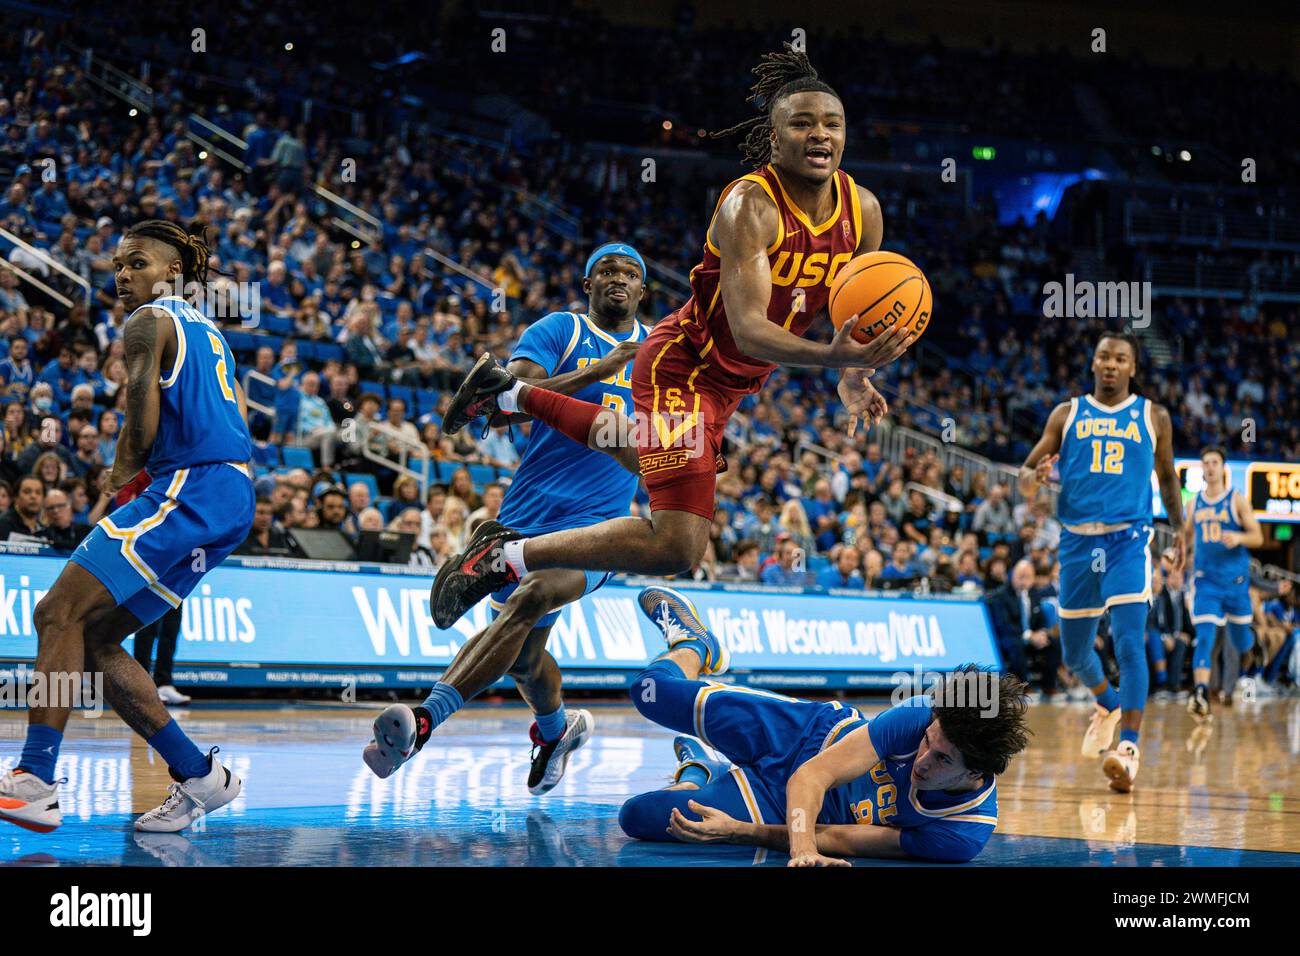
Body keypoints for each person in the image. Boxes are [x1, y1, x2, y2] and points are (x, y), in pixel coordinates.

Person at [429, 44, 911, 629]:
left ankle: (508, 395)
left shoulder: (864, 212)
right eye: (802, 123)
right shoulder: (749, 206)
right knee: (679, 545)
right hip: (683, 365)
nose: (820, 135)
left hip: (733, 384)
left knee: (640, 451)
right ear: (774, 136)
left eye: (832, 124)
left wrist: (852, 374)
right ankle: (504, 557)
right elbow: (750, 329)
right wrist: (830, 355)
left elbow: (850, 308)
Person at [363, 242, 650, 795]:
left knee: (533, 595)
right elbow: (499, 402)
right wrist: (602, 369)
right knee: (523, 659)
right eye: (606, 271)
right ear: (587, 285)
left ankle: (423, 723)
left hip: (599, 525)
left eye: (630, 272)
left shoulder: (659, 351)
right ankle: (555, 730)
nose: (619, 278)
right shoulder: (559, 331)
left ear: (642, 289)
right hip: (524, 517)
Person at [0, 220, 254, 835]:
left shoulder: (149, 321)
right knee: (94, 640)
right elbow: (238, 415)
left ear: (172, 273)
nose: (121, 275)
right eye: (117, 264)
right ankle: (198, 775)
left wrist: (114, 488)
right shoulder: (212, 330)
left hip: (188, 485)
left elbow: (138, 421)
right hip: (231, 492)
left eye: (136, 263)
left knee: (56, 613)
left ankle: (34, 779)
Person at [617, 586, 1029, 864]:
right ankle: (696, 643)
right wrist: (802, 852)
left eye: (941, 760)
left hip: (778, 805)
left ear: (976, 771)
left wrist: (739, 831)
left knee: (639, 818)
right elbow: (811, 776)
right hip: (800, 734)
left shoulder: (962, 833)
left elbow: (839, 839)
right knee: (649, 691)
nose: (922, 760)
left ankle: (699, 769)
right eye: (927, 742)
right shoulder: (921, 714)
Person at [1018, 332, 1183, 793]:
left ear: (1133, 367)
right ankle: (1106, 703)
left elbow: (1168, 478)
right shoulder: (1066, 414)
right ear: (1093, 363)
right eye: (1104, 357)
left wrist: (1182, 530)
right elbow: (1025, 480)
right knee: (1074, 652)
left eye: (1121, 358)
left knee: (1130, 643)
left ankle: (1128, 748)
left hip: (1129, 540)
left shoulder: (1153, 416)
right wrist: (1035, 479)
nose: (1111, 364)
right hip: (1076, 544)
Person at [1183, 446, 1263, 719]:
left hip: (1236, 582)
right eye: (1205, 462)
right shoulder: (1193, 503)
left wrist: (1239, 538)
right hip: (1206, 582)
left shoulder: (1236, 500)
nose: (1210, 467)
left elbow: (1258, 537)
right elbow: (1184, 537)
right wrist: (1175, 552)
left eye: (1214, 462)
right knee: (1204, 636)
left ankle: (1254, 649)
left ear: (1222, 467)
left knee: (1241, 642)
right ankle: (1201, 692)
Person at [985, 559, 1061, 697]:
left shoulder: (1034, 594)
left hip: (1030, 636)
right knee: (1015, 644)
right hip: (1010, 637)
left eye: (1028, 577)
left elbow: (1040, 620)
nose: (1024, 581)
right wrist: (1029, 636)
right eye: (1021, 577)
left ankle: (1049, 686)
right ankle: (1025, 687)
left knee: (1054, 642)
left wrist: (1042, 633)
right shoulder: (1000, 596)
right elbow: (1004, 625)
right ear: (1012, 576)